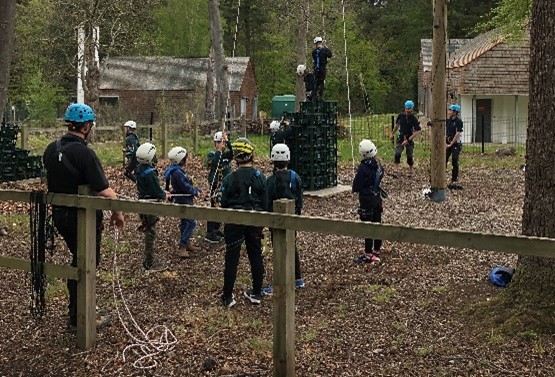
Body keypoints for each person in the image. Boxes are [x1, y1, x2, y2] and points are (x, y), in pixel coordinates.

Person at [43, 103, 124, 332]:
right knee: (86, 263)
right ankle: (80, 318)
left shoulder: (51, 148)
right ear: (87, 126)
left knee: (78, 261)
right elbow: (105, 190)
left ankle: (78, 311)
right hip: (81, 218)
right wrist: (118, 213)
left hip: (59, 215)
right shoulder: (85, 153)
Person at [219, 138, 268, 308]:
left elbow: (223, 201)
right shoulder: (260, 177)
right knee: (255, 254)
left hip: (234, 221)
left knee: (232, 256)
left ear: (235, 158)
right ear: (251, 155)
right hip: (255, 221)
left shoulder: (230, 178)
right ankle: (257, 292)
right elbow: (265, 200)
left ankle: (227, 295)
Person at [262, 143, 305, 295]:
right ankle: (297, 278)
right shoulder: (295, 177)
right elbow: (299, 199)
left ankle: (279, 282)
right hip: (292, 219)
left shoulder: (270, 180)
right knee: (292, 246)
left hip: (276, 221)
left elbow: (267, 202)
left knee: (279, 249)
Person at [134, 142, 169, 272]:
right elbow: (155, 191)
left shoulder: (139, 169)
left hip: (142, 200)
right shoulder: (150, 173)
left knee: (149, 229)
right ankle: (149, 262)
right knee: (151, 232)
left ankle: (149, 259)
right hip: (149, 204)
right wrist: (163, 195)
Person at [164, 146, 204, 258]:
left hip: (184, 199)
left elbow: (186, 184)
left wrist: (197, 189)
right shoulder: (177, 173)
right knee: (191, 223)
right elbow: (185, 187)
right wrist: (195, 192)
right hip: (183, 200)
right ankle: (182, 247)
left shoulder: (176, 171)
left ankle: (187, 243)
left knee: (185, 222)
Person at [352, 139, 385, 265]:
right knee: (377, 223)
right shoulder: (379, 165)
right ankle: (376, 250)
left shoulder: (363, 168)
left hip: (366, 199)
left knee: (368, 226)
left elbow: (356, 187)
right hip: (376, 197)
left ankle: (368, 254)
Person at [205, 131, 233, 243]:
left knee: (220, 205)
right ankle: (210, 232)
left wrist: (228, 142)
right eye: (218, 142)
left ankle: (216, 228)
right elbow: (215, 163)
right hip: (215, 184)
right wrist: (219, 151)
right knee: (214, 205)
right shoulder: (212, 154)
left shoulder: (226, 155)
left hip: (224, 184)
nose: (221, 144)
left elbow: (233, 153)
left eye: (221, 142)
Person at [390, 100, 421, 177]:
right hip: (401, 137)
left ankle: (411, 170)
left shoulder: (414, 119)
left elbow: (416, 132)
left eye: (409, 109)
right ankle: (396, 170)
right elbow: (397, 125)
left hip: (409, 137)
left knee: (409, 155)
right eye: (406, 108)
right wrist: (392, 133)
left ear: (412, 109)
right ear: (405, 108)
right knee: (398, 153)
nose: (408, 110)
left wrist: (408, 140)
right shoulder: (401, 116)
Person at [446, 104, 463, 188]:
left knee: (454, 161)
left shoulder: (458, 122)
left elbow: (458, 134)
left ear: (455, 112)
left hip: (455, 144)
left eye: (450, 110)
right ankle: (442, 178)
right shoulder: (448, 121)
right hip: (448, 143)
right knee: (444, 160)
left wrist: (451, 144)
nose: (449, 112)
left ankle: (454, 180)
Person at [312, 36, 332, 101]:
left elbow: (330, 55)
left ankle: (317, 96)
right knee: (319, 83)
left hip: (319, 69)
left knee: (318, 82)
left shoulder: (317, 51)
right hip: (319, 69)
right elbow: (330, 55)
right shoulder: (317, 51)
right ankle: (317, 96)